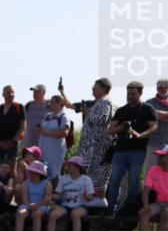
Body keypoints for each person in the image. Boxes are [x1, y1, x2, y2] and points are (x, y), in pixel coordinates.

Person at [106, 81, 158, 215]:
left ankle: (131, 210)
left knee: (134, 182)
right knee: (115, 180)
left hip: (138, 151)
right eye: (128, 94)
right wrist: (122, 128)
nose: (130, 96)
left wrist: (140, 135)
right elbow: (110, 130)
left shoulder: (147, 109)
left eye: (133, 94)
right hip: (120, 151)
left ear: (140, 93)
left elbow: (154, 127)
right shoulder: (121, 110)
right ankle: (111, 209)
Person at [60, 77, 115, 201]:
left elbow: (101, 119)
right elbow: (69, 105)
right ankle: (90, 203)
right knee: (90, 178)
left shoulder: (105, 102)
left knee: (98, 180)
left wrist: (88, 112)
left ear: (104, 89)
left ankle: (99, 204)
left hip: (97, 150)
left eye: (95, 88)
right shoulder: (98, 102)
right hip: (91, 150)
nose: (92, 90)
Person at [48, 155, 100, 231]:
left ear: (77, 167)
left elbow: (90, 197)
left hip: (81, 206)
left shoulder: (86, 179)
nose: (68, 166)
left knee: (75, 214)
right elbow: (59, 196)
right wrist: (51, 197)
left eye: (70, 165)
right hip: (65, 205)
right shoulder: (64, 178)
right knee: (53, 215)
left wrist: (88, 197)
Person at [14, 160, 52, 231]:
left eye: (34, 172)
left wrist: (38, 205)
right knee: (20, 213)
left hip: (42, 205)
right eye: (31, 172)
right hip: (28, 204)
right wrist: (30, 205)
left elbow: (47, 200)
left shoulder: (47, 183)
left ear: (39, 174)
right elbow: (25, 200)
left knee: (36, 214)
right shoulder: (25, 183)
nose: (31, 174)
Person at [139, 146, 168, 231]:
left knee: (166, 213)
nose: (158, 158)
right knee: (143, 213)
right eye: (158, 156)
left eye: (161, 156)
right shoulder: (154, 169)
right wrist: (146, 205)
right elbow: (146, 191)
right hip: (158, 202)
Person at [38, 95, 70, 183]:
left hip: (55, 152)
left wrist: (46, 132)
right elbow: (42, 130)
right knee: (44, 173)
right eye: (50, 102)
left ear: (60, 104)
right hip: (43, 150)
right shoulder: (47, 115)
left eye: (53, 102)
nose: (50, 104)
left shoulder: (63, 117)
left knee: (55, 174)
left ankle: (57, 195)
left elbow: (64, 133)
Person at [0, 85, 26, 163]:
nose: (11, 94)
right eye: (8, 92)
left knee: (12, 167)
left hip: (13, 143)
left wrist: (13, 141)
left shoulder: (19, 107)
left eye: (12, 92)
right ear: (3, 94)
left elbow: (23, 126)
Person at [144, 79, 168, 173]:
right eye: (160, 87)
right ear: (156, 88)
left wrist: (156, 115)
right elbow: (147, 116)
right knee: (150, 172)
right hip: (153, 144)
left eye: (166, 87)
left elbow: (154, 115)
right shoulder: (149, 102)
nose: (163, 89)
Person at [24, 84, 49, 148]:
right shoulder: (28, 105)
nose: (34, 94)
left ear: (43, 93)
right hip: (29, 143)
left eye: (37, 92)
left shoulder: (50, 105)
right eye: (34, 92)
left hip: (45, 144)